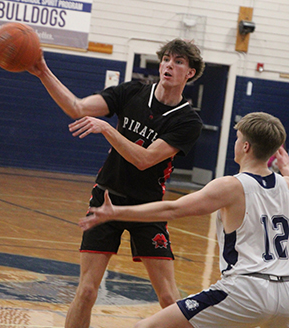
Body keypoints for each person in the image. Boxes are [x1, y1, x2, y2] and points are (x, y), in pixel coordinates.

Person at [28, 38, 205, 328]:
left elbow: (145, 159)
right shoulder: (132, 91)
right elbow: (77, 107)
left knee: (168, 298)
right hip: (106, 199)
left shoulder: (187, 121)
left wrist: (108, 130)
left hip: (147, 210)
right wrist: (43, 72)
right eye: (166, 59)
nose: (169, 65)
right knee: (85, 291)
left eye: (179, 62)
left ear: (191, 73)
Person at [79, 112, 289, 328]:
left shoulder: (232, 186)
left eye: (237, 138)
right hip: (285, 296)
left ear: (245, 147)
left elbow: (172, 209)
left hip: (247, 290)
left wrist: (116, 212)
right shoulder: (286, 184)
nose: (235, 143)